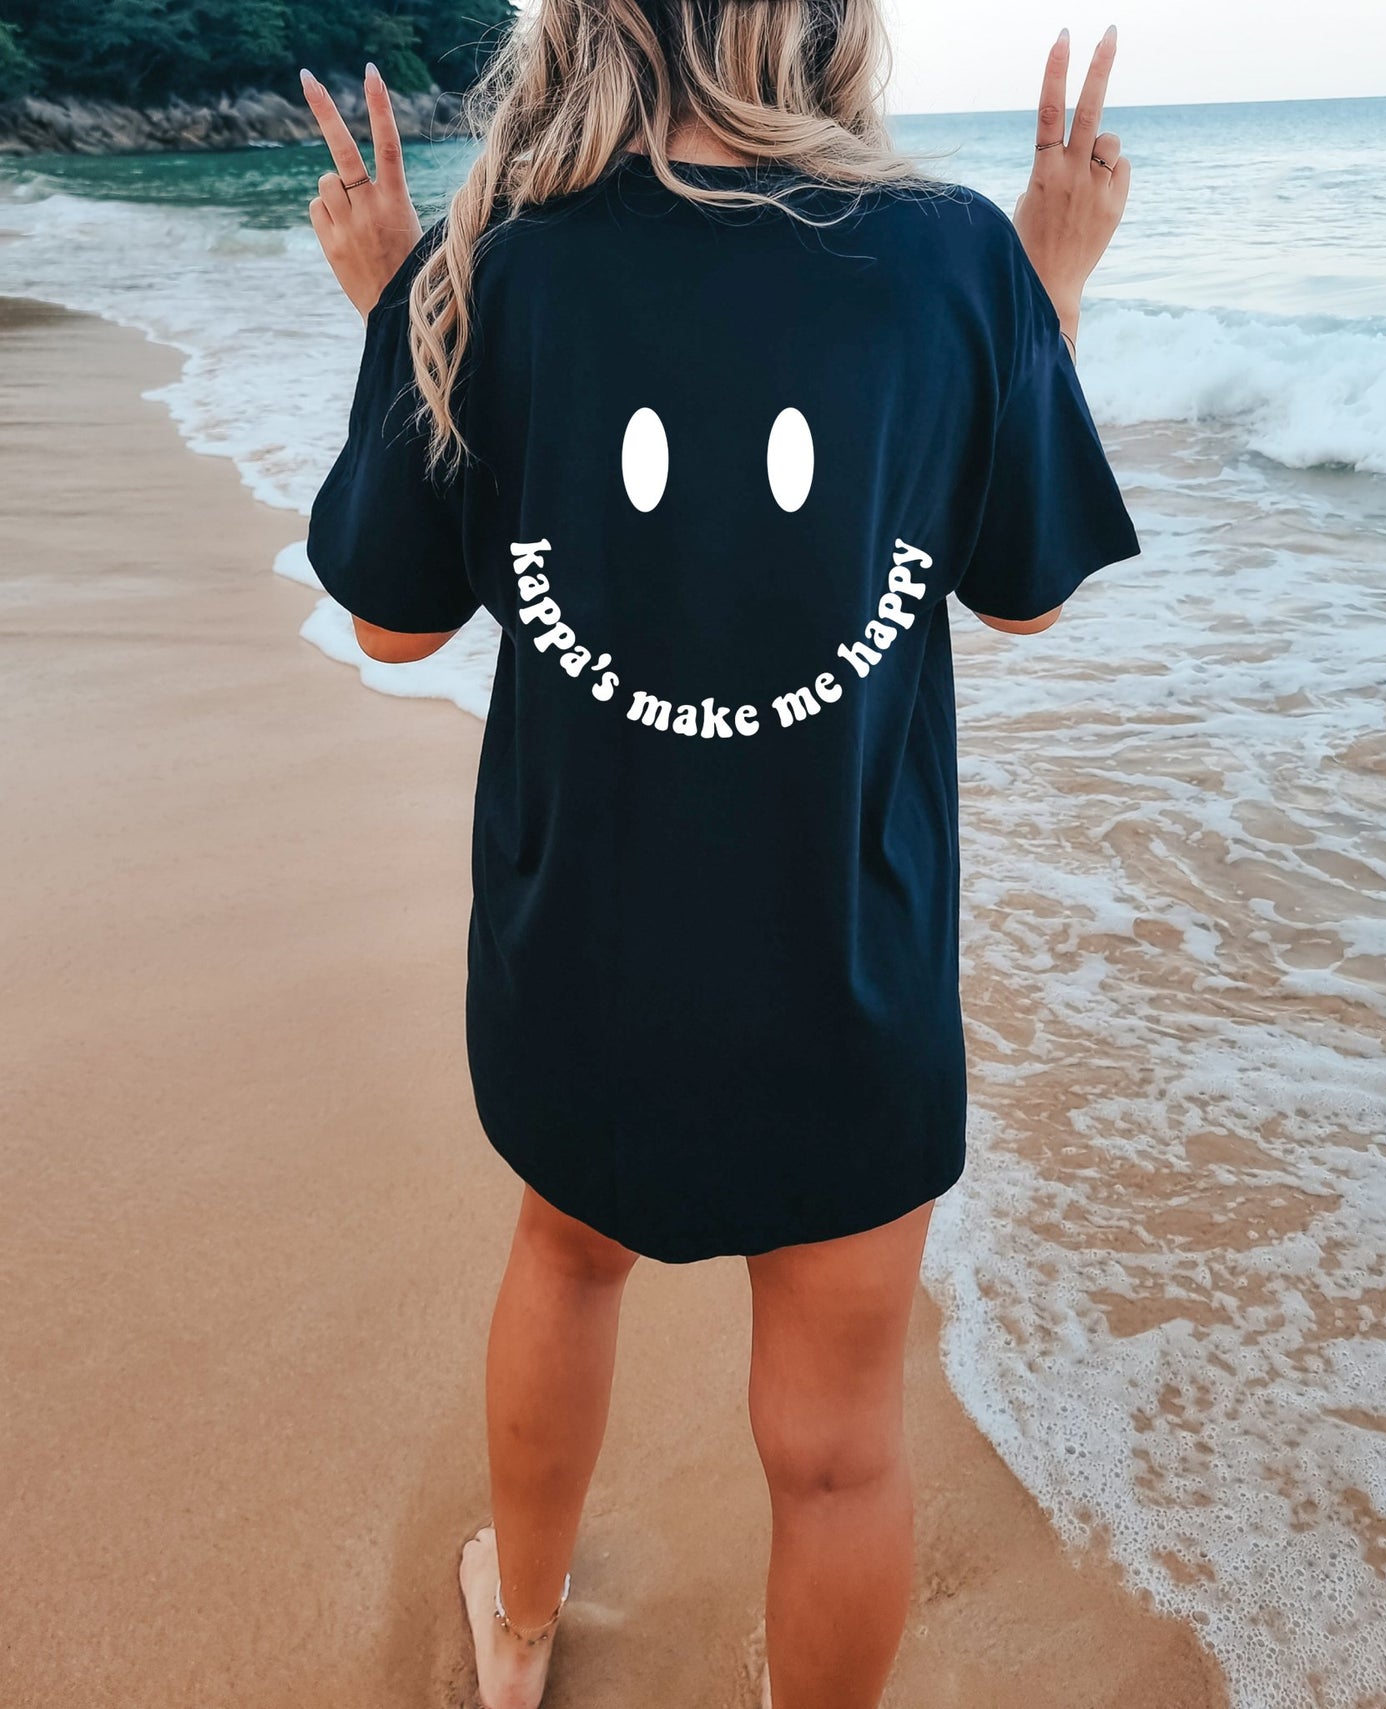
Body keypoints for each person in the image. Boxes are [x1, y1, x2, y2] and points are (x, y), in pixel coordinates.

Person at [299, 4, 1137, 1705]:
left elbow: (394, 624)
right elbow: (1023, 591)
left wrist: (395, 305)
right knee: (837, 1447)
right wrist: (1051, 283)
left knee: (565, 1257)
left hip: (579, 950)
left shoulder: (492, 265)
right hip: (846, 966)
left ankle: (518, 1631)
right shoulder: (952, 258)